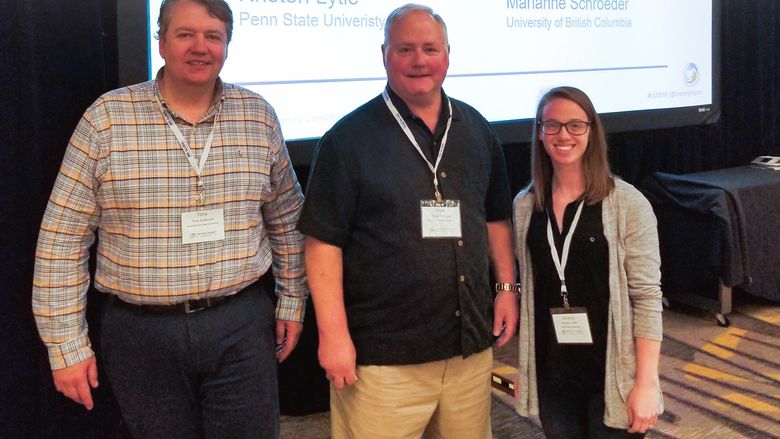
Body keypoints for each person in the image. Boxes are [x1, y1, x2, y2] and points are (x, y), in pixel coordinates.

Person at [31, 0, 307, 437]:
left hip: (240, 325)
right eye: (185, 34)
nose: (200, 47)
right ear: (161, 41)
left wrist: (292, 299)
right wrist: (66, 346)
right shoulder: (107, 119)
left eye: (213, 36)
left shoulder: (257, 116)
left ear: (227, 46)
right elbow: (62, 239)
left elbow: (288, 220)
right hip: (140, 335)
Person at [297, 4, 518, 438]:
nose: (419, 60)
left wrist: (506, 288)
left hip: (467, 352)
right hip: (383, 359)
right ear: (384, 54)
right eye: (406, 49)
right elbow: (323, 243)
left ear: (448, 55)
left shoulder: (476, 129)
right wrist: (333, 334)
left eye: (430, 48)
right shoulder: (347, 140)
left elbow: (495, 218)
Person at [512, 86, 664, 438]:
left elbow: (647, 297)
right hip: (554, 374)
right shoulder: (525, 206)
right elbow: (534, 293)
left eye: (575, 125)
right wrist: (527, 366)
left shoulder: (627, 204)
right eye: (551, 125)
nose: (563, 135)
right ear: (539, 132)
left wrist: (646, 382)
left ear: (592, 131)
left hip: (611, 376)